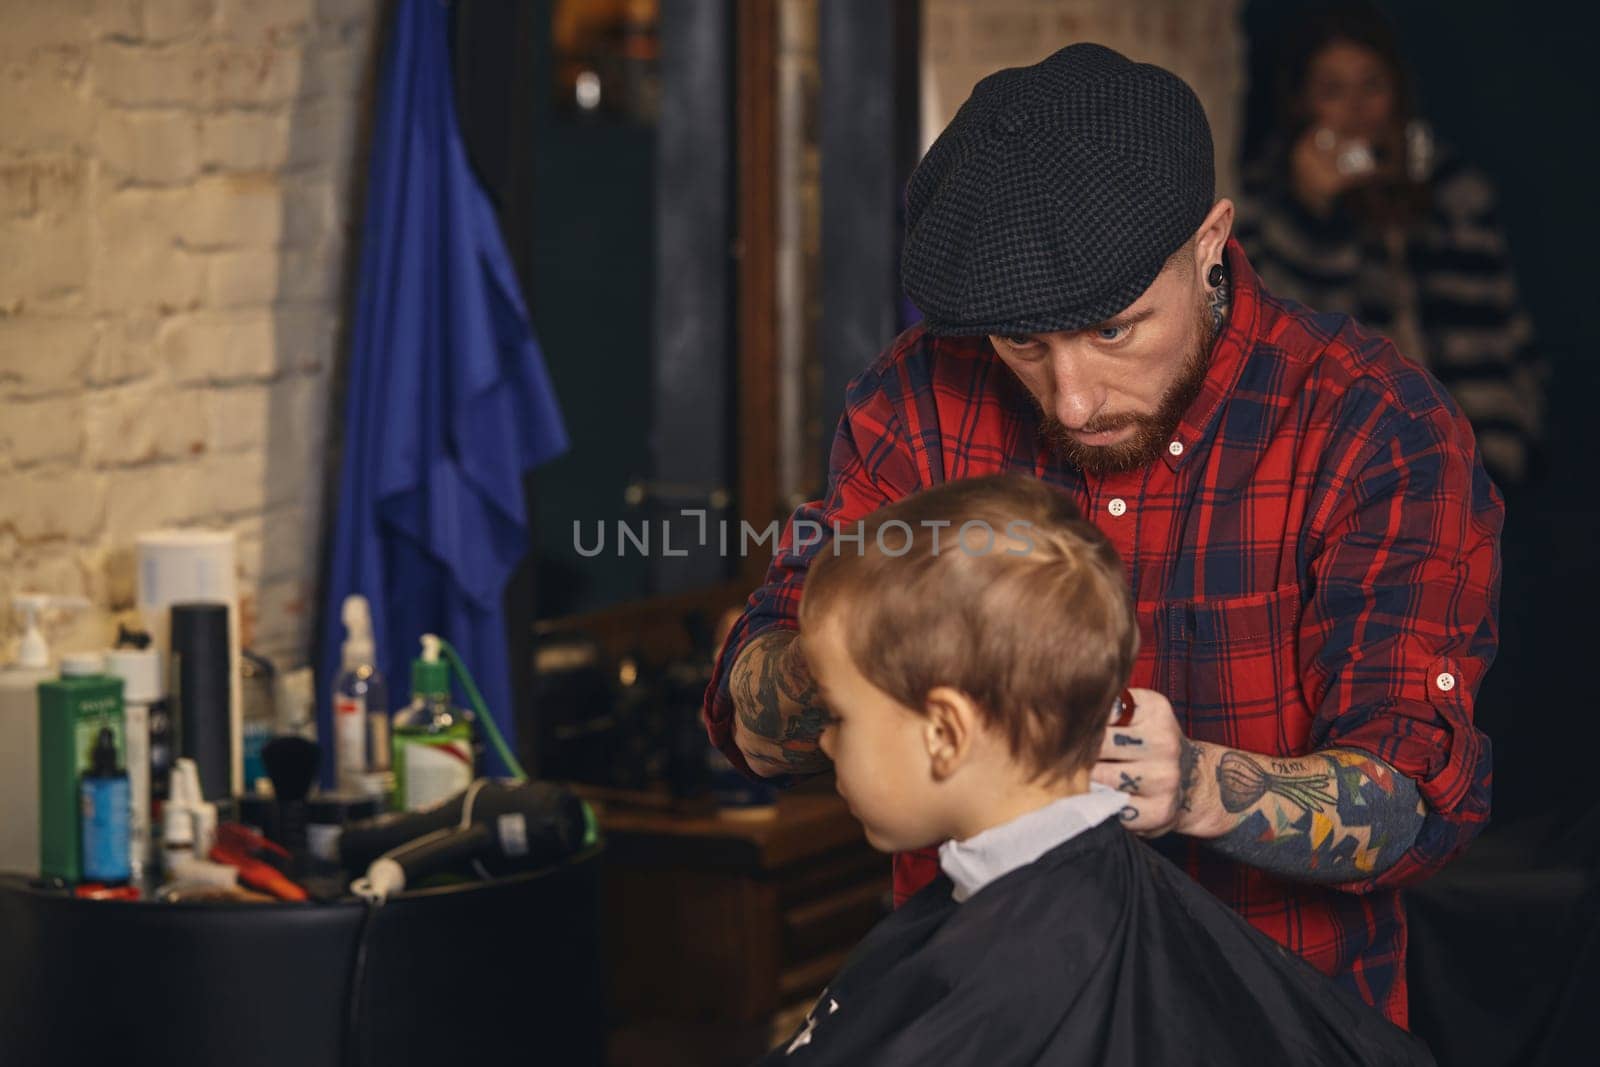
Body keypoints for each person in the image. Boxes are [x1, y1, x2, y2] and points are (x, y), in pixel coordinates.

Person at [707, 42, 1498, 1029]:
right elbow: (752, 712)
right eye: (1024, 343)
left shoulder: (1373, 425)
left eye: (1116, 328)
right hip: (987, 1010)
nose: (1072, 400)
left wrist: (1196, 782)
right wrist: (865, 663)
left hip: (1281, 1020)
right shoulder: (917, 401)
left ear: (1209, 244)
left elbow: (1418, 801)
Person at [760, 474, 1431, 1064]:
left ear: (945, 731)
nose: (825, 744)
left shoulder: (1031, 969)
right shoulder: (1053, 913)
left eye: (841, 715)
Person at [1234, 1, 1543, 489]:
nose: (1356, 109)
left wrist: (1509, 443)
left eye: (1371, 84)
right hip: (1349, 480)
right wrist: (1314, 219)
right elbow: (1289, 354)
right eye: (1333, 90)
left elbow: (1506, 337)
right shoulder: (1261, 203)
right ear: (1301, 103)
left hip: (1478, 473)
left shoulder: (1454, 195)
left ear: (1397, 93)